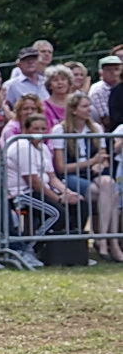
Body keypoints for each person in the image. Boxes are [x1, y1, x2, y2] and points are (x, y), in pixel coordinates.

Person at [5, 112, 82, 265]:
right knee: (57, 213)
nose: (39, 133)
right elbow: (33, 182)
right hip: (21, 194)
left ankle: (70, 251)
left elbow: (52, 178)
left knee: (79, 204)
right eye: (36, 129)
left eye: (43, 129)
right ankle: (29, 250)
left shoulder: (43, 148)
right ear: (26, 130)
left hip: (39, 191)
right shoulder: (22, 146)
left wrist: (68, 193)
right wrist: (58, 198)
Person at [50, 93, 119, 261]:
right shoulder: (60, 130)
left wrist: (99, 165)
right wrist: (91, 162)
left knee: (109, 184)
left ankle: (105, 240)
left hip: (93, 174)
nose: (90, 110)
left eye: (90, 106)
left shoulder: (96, 128)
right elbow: (61, 167)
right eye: (85, 106)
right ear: (74, 110)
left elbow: (103, 158)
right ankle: (110, 242)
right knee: (112, 194)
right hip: (70, 175)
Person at [90, 55, 122, 128]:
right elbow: (106, 120)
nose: (113, 72)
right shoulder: (97, 90)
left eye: (116, 69)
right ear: (101, 72)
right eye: (109, 69)